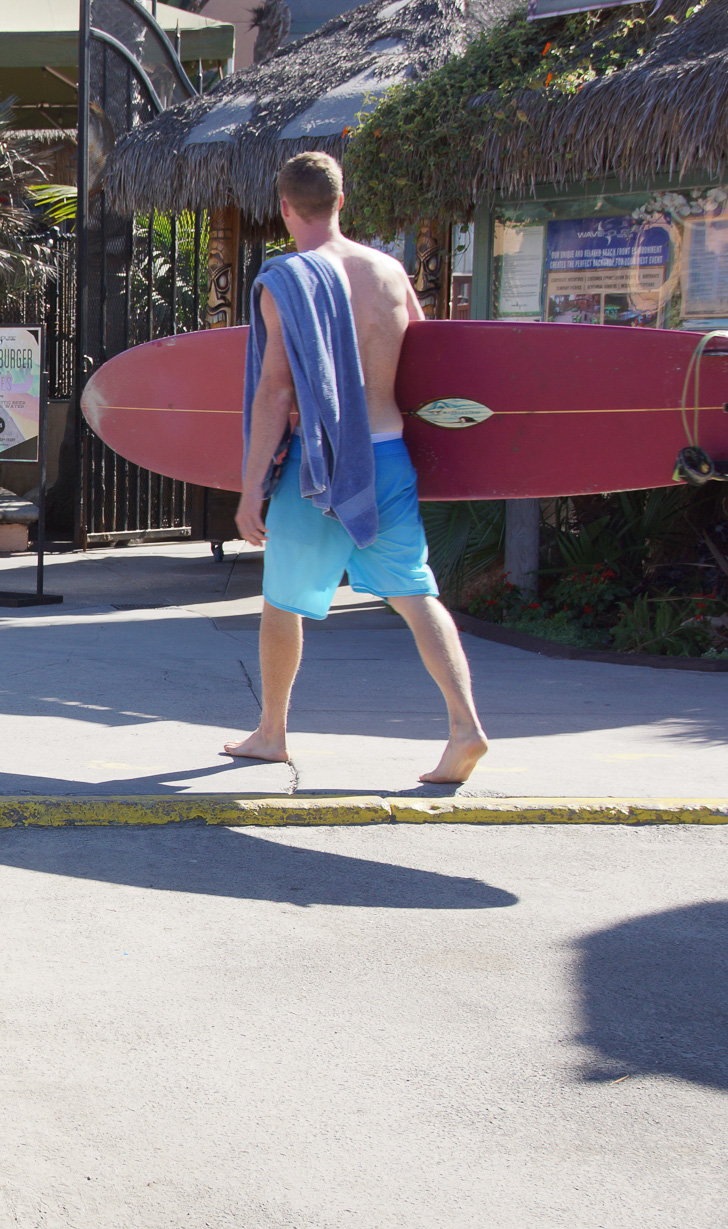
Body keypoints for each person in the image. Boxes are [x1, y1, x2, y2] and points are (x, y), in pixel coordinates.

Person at [223, 151, 488, 785]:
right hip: (388, 452)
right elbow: (426, 361)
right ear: (341, 201)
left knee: (282, 599)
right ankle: (464, 727)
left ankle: (272, 732)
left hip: (319, 463)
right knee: (416, 594)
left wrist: (251, 488)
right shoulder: (389, 271)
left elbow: (276, 391)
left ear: (284, 209)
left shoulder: (287, 280)